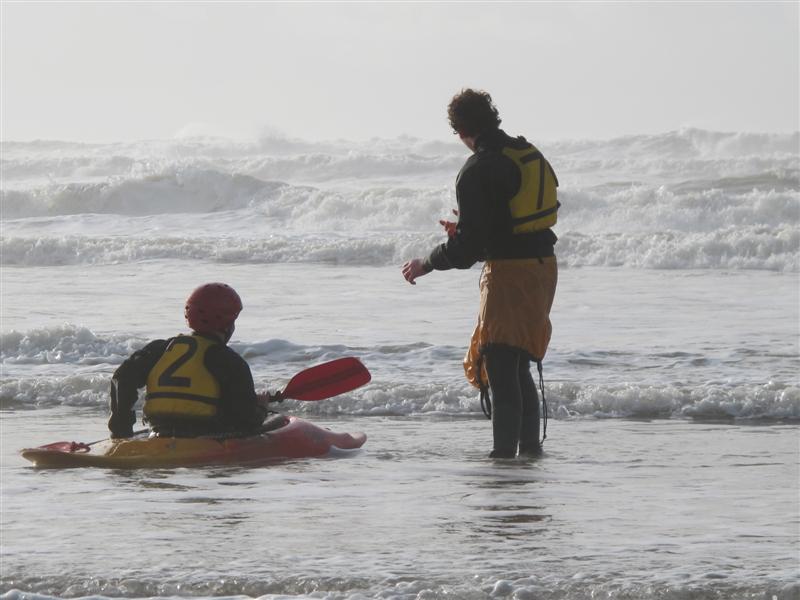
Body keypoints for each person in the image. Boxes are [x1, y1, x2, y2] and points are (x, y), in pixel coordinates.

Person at [402, 89, 559, 458]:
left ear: (460, 131)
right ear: (492, 119)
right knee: (519, 363)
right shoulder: (525, 153)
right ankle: (530, 453)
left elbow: (467, 250)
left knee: (501, 367)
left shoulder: (478, 168)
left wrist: (427, 262)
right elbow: (505, 222)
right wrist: (468, 231)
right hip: (543, 269)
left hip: (510, 273)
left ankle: (502, 460)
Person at [107, 282, 271, 438]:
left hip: (159, 431)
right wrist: (261, 408)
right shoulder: (229, 361)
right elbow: (246, 422)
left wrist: (121, 432)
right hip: (208, 436)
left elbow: (122, 378)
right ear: (227, 324)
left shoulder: (160, 348)